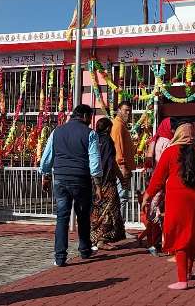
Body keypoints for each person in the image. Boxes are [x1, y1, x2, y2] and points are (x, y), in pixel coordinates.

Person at [142, 121, 195, 290]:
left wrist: (147, 196)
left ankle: (182, 279)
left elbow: (158, 179)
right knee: (193, 234)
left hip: (177, 200)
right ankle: (188, 272)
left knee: (179, 235)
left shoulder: (170, 151)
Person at [39, 104, 103, 267]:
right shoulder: (90, 134)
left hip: (60, 178)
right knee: (83, 216)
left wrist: (45, 175)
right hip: (81, 179)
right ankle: (84, 249)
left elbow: (47, 156)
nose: (91, 121)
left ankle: (60, 257)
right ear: (85, 116)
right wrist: (98, 184)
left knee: (62, 217)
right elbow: (94, 161)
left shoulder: (57, 131)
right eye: (90, 117)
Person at [140, 117, 177, 255]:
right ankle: (163, 242)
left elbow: (149, 162)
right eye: (172, 128)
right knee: (163, 212)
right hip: (164, 181)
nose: (174, 131)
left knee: (153, 210)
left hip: (154, 181)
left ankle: (154, 242)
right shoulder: (168, 142)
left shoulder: (155, 140)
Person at [90, 117, 126, 249]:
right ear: (108, 128)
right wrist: (121, 178)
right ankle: (102, 240)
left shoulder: (93, 139)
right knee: (109, 210)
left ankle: (95, 238)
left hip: (93, 180)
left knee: (96, 209)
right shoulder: (107, 141)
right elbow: (110, 163)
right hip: (106, 181)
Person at [111, 101, 135, 224]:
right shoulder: (118, 125)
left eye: (129, 110)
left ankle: (118, 227)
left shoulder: (121, 125)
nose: (128, 113)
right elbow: (117, 148)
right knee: (122, 198)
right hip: (121, 169)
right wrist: (123, 166)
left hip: (122, 168)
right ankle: (118, 228)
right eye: (125, 110)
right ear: (119, 110)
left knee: (121, 198)